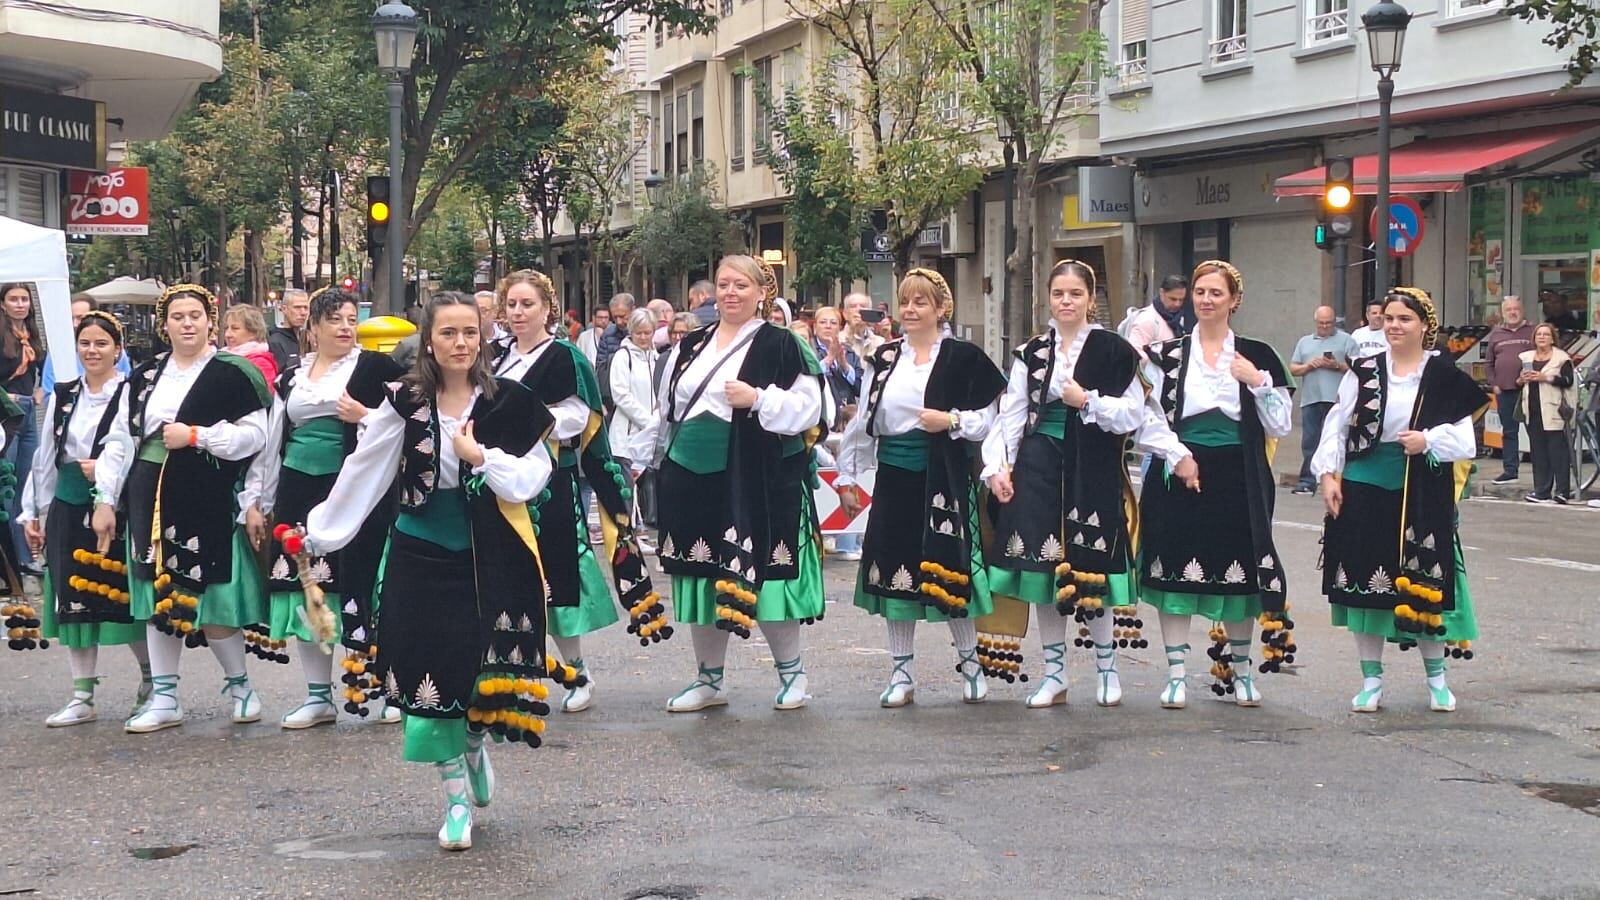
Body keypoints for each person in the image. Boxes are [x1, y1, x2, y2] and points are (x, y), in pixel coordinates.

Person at [305, 291, 562, 851]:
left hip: (490, 553)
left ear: (483, 336)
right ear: (429, 340)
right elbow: (364, 471)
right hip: (419, 550)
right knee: (424, 673)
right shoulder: (403, 401)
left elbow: (530, 479)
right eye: (448, 333)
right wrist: (322, 531)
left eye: (470, 332)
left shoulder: (509, 402)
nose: (461, 343)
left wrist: (481, 459)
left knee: (473, 675)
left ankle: (473, 743)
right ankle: (454, 801)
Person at [654, 255, 826, 712]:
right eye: (723, 285)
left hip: (756, 472)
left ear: (760, 292)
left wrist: (758, 399)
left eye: (741, 286)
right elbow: (667, 407)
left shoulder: (782, 344)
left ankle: (793, 675)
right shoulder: (690, 344)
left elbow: (810, 410)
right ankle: (709, 680)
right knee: (702, 573)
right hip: (692, 470)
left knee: (763, 573)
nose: (730, 293)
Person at [99, 284, 272, 734]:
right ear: (165, 325)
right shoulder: (145, 376)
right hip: (148, 489)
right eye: (178, 316)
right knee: (159, 591)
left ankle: (241, 687)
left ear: (210, 321)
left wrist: (198, 436)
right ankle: (165, 694)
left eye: (196, 314)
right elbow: (121, 440)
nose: (188, 323)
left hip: (205, 489)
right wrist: (104, 497)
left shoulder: (233, 372)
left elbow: (256, 437)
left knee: (209, 594)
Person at [491, 271, 660, 715]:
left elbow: (578, 419)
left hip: (550, 483)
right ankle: (513, 673)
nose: (518, 313)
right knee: (504, 578)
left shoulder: (564, 357)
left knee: (554, 578)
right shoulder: (495, 356)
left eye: (527, 304)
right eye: (511, 304)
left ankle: (577, 672)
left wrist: (526, 418)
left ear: (547, 308)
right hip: (497, 481)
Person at [981, 261, 1148, 709]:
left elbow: (1133, 415)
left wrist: (1087, 400)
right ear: (1048, 299)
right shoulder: (1031, 352)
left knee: (1093, 566)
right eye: (1058, 294)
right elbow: (1012, 414)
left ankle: (1107, 670)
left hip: (1091, 462)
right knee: (1041, 569)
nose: (1066, 301)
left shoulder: (1114, 350)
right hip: (1038, 463)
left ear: (1091, 298)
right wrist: (999, 466)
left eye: (1075, 293)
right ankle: (1055, 673)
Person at [835, 269, 1004, 707]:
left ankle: (971, 665)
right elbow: (866, 420)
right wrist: (849, 476)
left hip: (942, 471)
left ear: (941, 309)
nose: (910, 310)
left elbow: (989, 420)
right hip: (895, 473)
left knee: (950, 567)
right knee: (896, 570)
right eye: (905, 302)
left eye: (920, 303)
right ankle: (901, 672)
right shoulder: (886, 358)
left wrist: (951, 421)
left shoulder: (963, 357)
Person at [242, 288, 407, 728]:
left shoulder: (377, 368)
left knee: (364, 583)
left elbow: (411, 422)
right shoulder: (291, 376)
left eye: (352, 319)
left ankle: (385, 686)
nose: (346, 327)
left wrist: (365, 416)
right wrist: (258, 500)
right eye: (335, 319)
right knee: (307, 587)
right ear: (311, 328)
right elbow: (272, 440)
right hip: (299, 488)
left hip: (355, 491)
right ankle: (319, 696)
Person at [1315, 287, 1486, 712]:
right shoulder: (1365, 370)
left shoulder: (1442, 375)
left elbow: (1465, 441)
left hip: (1421, 482)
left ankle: (1437, 682)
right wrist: (1328, 475)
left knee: (1424, 579)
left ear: (1425, 326)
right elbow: (1338, 424)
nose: (1394, 325)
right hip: (1366, 477)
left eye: (1404, 319)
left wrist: (1428, 439)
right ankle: (1371, 680)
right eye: (1389, 318)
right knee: (1365, 579)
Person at [1136, 260, 1295, 711]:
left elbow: (1280, 424)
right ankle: (1176, 676)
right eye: (1200, 292)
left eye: (1216, 293)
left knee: (1241, 571)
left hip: (1239, 472)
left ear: (1234, 300)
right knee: (1175, 569)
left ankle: (1242, 674)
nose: (1206, 300)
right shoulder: (1166, 355)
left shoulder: (1258, 354)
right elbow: (1146, 419)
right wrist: (1178, 455)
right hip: (1180, 467)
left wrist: (1258, 382)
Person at [17, 311, 147, 726]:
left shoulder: (128, 393)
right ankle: (82, 694)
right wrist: (34, 509)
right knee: (71, 596)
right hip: (69, 500)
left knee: (119, 595)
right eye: (86, 344)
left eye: (101, 344)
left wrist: (106, 484)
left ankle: (151, 680)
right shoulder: (64, 393)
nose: (92, 351)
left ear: (118, 350)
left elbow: (126, 445)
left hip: (114, 503)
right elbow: (46, 458)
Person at [1289, 306, 1357, 494]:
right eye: (1321, 323)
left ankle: (1339, 480)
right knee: (1311, 441)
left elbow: (1359, 369)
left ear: (1334, 321)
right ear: (1315, 322)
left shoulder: (1347, 340)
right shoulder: (1304, 342)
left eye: (1328, 323)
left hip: (1338, 401)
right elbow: (1293, 369)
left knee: (1338, 441)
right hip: (1311, 399)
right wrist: (1309, 366)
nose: (1325, 326)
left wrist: (1336, 365)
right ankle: (1307, 481)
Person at [1, 283, 44, 573]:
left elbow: (39, 369)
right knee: (9, 481)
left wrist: (38, 391)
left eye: (24, 299)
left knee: (27, 484)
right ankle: (11, 558)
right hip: (7, 411)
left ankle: (24, 555)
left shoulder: (30, 334)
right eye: (13, 299)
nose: (20, 304)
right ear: (2, 304)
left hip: (29, 408)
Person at [611, 309, 660, 548]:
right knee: (627, 489)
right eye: (639, 333)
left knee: (640, 488)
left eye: (648, 332)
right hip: (628, 434)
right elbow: (620, 394)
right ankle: (627, 538)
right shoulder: (623, 357)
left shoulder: (655, 356)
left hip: (650, 433)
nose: (643, 337)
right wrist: (646, 419)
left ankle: (638, 534)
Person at [1519, 322, 1578, 504]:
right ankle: (1541, 490)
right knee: (1538, 453)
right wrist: (1521, 379)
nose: (1542, 337)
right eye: (1539, 335)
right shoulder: (1526, 357)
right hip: (1533, 409)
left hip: (1554, 409)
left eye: (1546, 334)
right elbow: (1518, 382)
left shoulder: (1562, 358)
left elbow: (1568, 381)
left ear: (1552, 338)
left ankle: (1562, 491)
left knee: (1558, 452)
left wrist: (1546, 378)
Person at [1483, 295, 1534, 485]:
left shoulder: (1533, 331)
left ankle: (1541, 471)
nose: (1513, 312)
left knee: (1534, 431)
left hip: (1529, 390)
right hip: (1505, 390)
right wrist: (1493, 383)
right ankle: (1510, 470)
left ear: (1522, 311)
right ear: (1503, 313)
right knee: (1509, 432)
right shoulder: (1497, 334)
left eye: (1516, 309)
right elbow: (1489, 363)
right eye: (1509, 310)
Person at [40, 295, 132, 396]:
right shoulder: (57, 353)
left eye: (80, 318)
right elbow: (48, 392)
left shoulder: (115, 352)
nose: (75, 324)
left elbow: (128, 384)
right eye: (70, 318)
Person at [1124, 274, 1191, 358]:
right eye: (1173, 299)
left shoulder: (1179, 319)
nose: (1177, 304)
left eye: (1181, 300)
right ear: (1161, 293)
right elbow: (1135, 354)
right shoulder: (1147, 319)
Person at [221, 304, 280, 387]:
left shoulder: (261, 364)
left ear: (253, 332)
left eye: (235, 328)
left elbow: (261, 397)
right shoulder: (221, 357)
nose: (228, 334)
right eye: (226, 328)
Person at [268, 288, 309, 374]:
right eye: (297, 307)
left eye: (306, 308)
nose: (303, 312)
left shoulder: (308, 339)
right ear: (284, 309)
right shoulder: (275, 342)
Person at [595, 293, 636, 371]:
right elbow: (600, 368)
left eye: (622, 316)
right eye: (615, 317)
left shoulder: (644, 334)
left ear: (633, 310)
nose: (619, 322)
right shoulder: (607, 335)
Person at [843, 292, 885, 362]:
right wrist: (853, 331)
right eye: (853, 306)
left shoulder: (880, 342)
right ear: (845, 314)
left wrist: (887, 336)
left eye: (863, 306)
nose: (858, 309)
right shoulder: (837, 340)